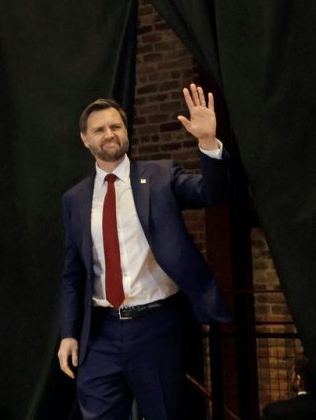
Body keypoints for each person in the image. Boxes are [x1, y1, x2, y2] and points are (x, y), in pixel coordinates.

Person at [57, 84, 232, 419]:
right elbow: (73, 273)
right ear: (85, 139)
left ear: (125, 132)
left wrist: (208, 143)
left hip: (156, 326)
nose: (109, 134)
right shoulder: (75, 199)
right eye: (100, 129)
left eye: (116, 126)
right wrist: (68, 333)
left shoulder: (162, 176)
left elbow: (213, 192)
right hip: (101, 332)